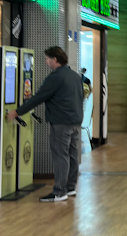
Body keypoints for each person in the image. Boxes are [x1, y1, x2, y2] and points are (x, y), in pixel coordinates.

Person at [8, 46, 84, 203]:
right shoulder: (75, 76)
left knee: (60, 156)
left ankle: (59, 192)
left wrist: (17, 112)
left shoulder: (55, 77)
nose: (46, 62)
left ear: (55, 60)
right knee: (72, 155)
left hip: (61, 123)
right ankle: (70, 187)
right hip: (76, 121)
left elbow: (38, 97)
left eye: (47, 59)